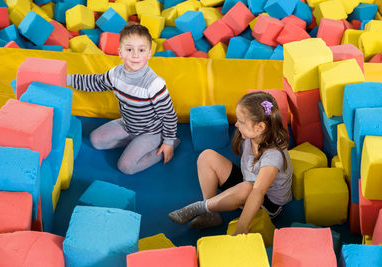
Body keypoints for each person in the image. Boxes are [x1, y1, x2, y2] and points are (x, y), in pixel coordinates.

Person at [168, 91, 292, 235]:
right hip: (248, 181)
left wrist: (241, 227)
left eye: (241, 121)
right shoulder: (252, 135)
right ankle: (211, 214)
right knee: (207, 156)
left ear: (260, 127)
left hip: (267, 203)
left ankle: (202, 207)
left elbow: (257, 192)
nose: (236, 124)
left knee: (248, 188)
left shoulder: (273, 156)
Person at [67, 24, 179, 175]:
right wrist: (67, 79)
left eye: (141, 50)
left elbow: (169, 115)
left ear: (149, 53)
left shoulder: (154, 84)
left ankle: (163, 146)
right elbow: (95, 82)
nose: (135, 55)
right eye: (129, 49)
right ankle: (133, 143)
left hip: (151, 131)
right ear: (120, 53)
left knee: (126, 167)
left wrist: (169, 143)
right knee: (96, 140)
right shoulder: (115, 74)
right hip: (128, 125)